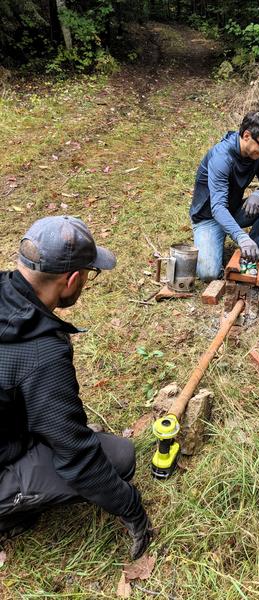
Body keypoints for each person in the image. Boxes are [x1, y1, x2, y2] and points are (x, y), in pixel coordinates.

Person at [0, 216, 152, 559]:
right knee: (119, 458)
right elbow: (78, 459)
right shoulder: (42, 353)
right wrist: (132, 508)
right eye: (88, 273)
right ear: (71, 280)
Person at [190, 110, 259, 282]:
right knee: (208, 274)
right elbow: (218, 208)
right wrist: (241, 236)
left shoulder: (257, 155)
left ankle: (249, 255)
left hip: (233, 211)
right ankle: (240, 243)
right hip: (209, 218)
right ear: (247, 135)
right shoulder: (221, 157)